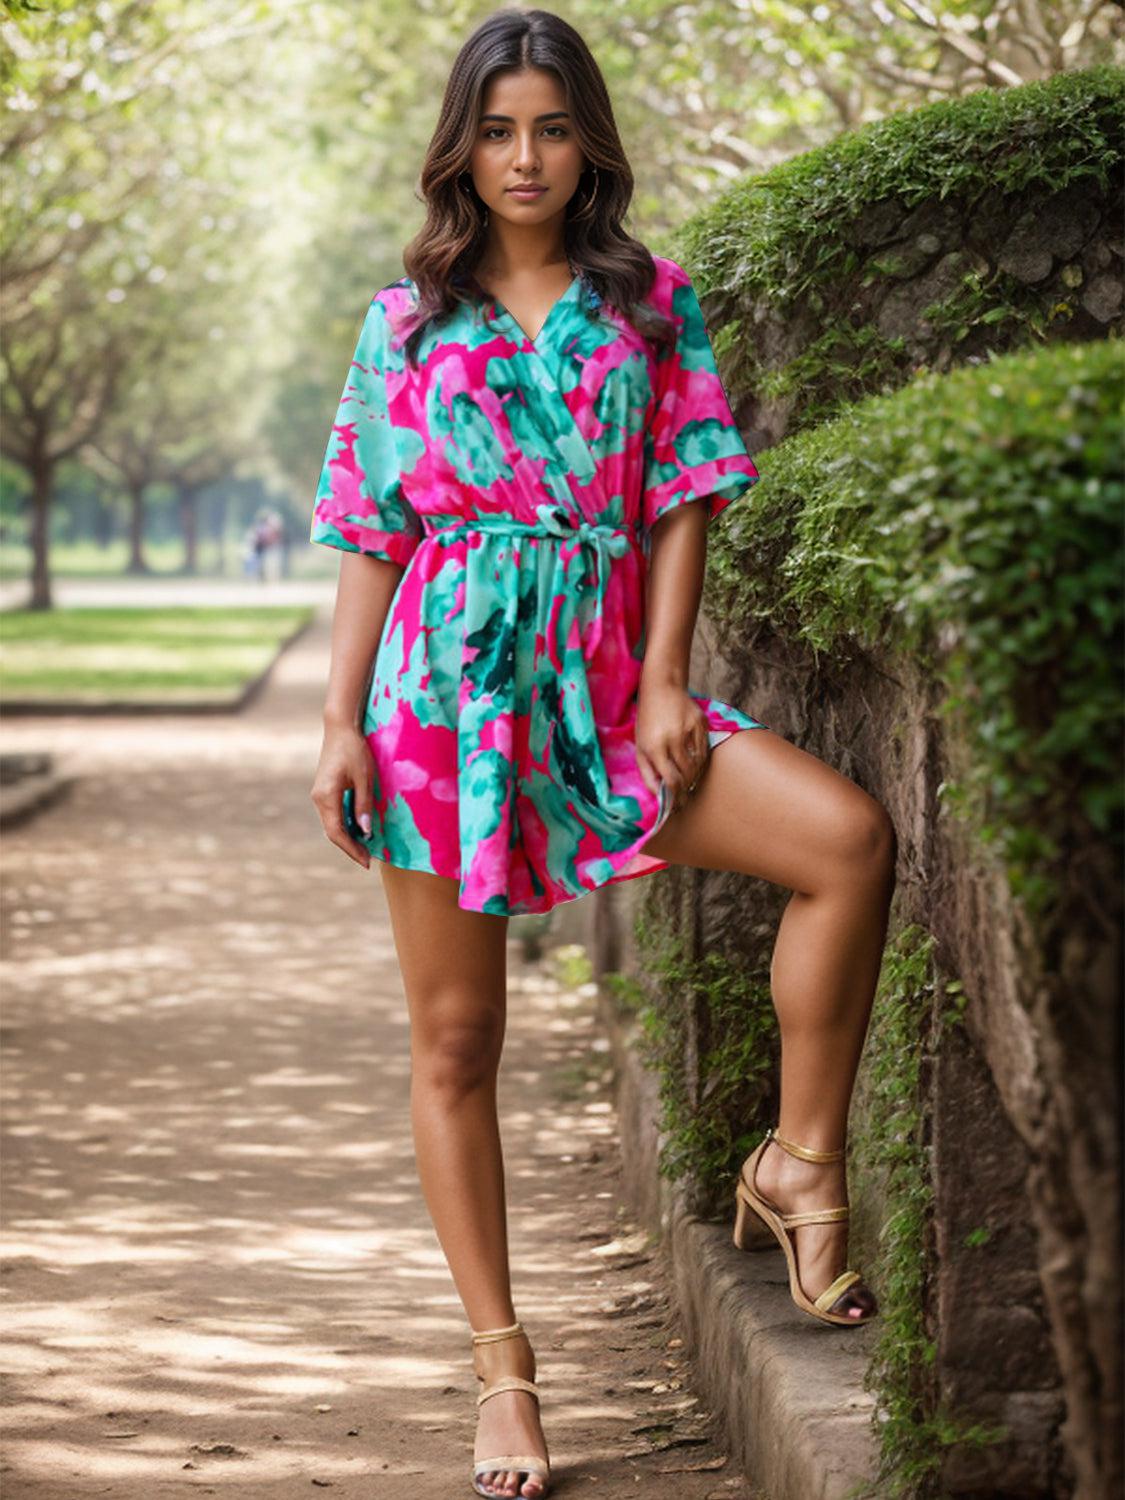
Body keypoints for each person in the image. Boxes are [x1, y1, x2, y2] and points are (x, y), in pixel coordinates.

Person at [309, 10, 894, 1498]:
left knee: (840, 841)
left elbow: (686, 493)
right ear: (462, 143)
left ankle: (798, 1162)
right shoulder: (404, 321)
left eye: (551, 128)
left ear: (590, 144)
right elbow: (374, 534)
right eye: (497, 129)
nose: (524, 157)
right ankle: (504, 1372)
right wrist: (338, 724)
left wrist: (663, 680)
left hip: (606, 685)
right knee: (456, 1046)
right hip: (443, 705)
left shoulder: (649, 304)